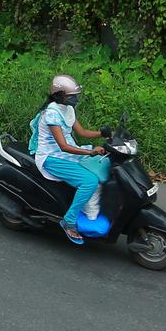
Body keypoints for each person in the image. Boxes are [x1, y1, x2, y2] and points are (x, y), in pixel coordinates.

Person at [30, 75, 108, 245]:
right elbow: (63, 146)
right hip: (52, 157)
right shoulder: (51, 113)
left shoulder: (68, 109)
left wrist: (104, 134)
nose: (76, 99)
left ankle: (92, 210)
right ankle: (69, 220)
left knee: (106, 164)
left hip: (66, 153)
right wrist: (90, 153)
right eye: (72, 96)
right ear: (60, 95)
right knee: (89, 181)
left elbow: (82, 133)